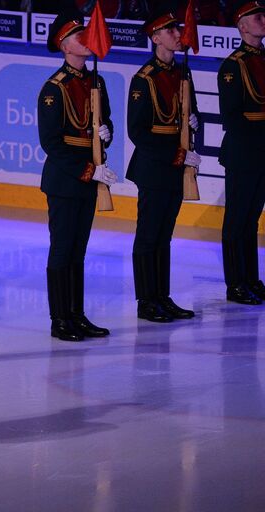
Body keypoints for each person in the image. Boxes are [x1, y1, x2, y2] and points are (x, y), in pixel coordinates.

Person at [37, 7, 116, 342]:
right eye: (78, 37)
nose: (85, 40)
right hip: (66, 180)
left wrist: (106, 133)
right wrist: (89, 169)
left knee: (78, 250)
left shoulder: (96, 81)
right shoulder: (54, 88)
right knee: (62, 249)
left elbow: (105, 119)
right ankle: (60, 319)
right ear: (64, 46)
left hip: (89, 177)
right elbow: (52, 143)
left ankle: (76, 314)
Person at [126, 9, 202, 322]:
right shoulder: (144, 79)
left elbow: (191, 114)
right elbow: (138, 132)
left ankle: (162, 296)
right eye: (169, 30)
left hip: (175, 165)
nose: (176, 33)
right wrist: (176, 156)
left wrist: (193, 130)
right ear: (156, 38)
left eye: (176, 28)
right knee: (148, 235)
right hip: (154, 166)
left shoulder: (182, 73)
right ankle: (147, 301)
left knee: (164, 235)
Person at [218, 0, 265, 305]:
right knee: (237, 219)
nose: (263, 19)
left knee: (251, 217)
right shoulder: (233, 65)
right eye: (255, 17)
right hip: (245, 151)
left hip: (262, 153)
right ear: (242, 26)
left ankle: (250, 278)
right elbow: (231, 116)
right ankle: (235, 283)